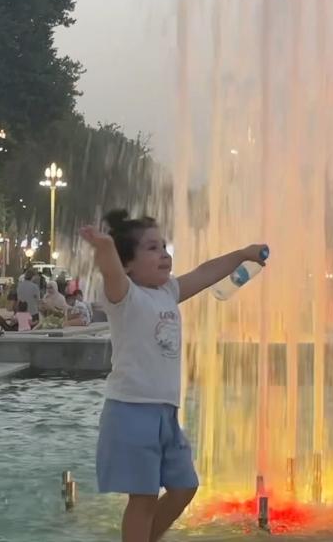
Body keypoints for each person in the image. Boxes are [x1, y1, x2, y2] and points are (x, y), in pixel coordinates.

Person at [80, 208, 267, 542]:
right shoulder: (124, 297)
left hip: (166, 413)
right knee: (143, 498)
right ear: (128, 264)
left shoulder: (168, 291)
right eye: (152, 248)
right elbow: (110, 271)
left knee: (184, 487)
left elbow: (205, 272)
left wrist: (241, 254)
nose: (164, 254)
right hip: (131, 410)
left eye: (164, 247)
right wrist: (105, 247)